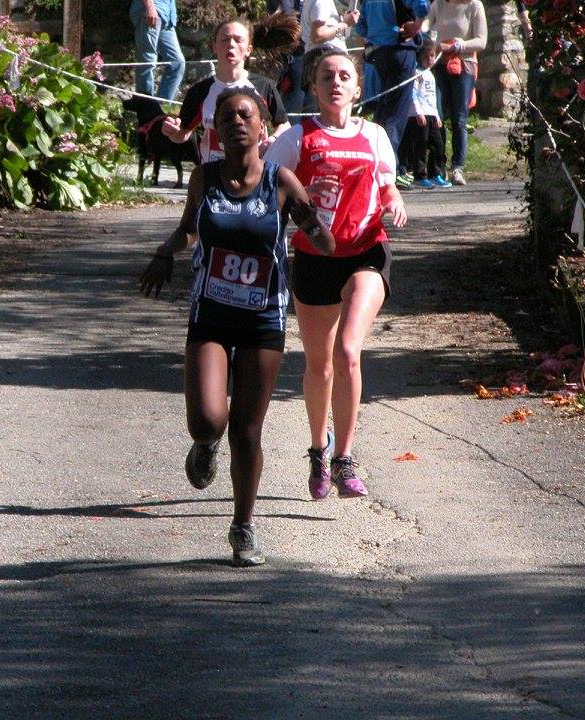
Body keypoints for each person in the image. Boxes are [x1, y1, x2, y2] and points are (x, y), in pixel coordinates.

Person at [140, 88, 334, 567]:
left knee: (247, 431)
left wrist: (315, 225)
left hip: (262, 316)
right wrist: (166, 250)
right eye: (227, 118)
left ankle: (243, 527)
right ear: (216, 131)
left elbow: (324, 242)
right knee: (208, 420)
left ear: (262, 127)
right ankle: (205, 445)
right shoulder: (205, 177)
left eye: (246, 115)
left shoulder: (280, 180)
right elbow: (189, 229)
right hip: (211, 311)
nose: (237, 123)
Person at [264, 46, 407, 501]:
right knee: (319, 366)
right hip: (314, 257)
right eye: (326, 76)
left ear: (358, 88)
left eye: (345, 76)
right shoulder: (298, 138)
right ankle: (318, 450)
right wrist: (300, 197)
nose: (336, 83)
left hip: (365, 250)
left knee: (348, 350)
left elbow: (388, 185)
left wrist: (394, 201)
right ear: (313, 87)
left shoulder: (374, 135)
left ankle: (345, 458)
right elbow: (266, 189)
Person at [162, 19, 291, 162]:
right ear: (214, 47)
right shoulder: (200, 91)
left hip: (253, 170)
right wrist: (172, 132)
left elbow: (284, 125)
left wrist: (273, 139)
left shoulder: (264, 86)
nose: (231, 45)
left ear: (248, 50)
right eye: (224, 39)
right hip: (212, 171)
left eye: (238, 40)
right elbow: (182, 134)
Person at [353, 0, 431, 157]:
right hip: (400, 49)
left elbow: (360, 27)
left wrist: (378, 33)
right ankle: (386, 161)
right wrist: (416, 26)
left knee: (383, 108)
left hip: (379, 54)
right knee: (396, 112)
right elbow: (422, 5)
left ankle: (373, 156)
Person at [427, 0, 487, 186]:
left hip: (464, 66)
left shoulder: (474, 5)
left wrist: (456, 46)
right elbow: (426, 26)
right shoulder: (438, 4)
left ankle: (457, 167)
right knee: (437, 115)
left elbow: (481, 41)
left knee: (459, 118)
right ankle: (439, 165)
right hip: (439, 65)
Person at [405, 39, 452, 189]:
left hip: (432, 115)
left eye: (432, 56)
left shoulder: (431, 75)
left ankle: (435, 173)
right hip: (420, 115)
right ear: (420, 57)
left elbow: (432, 98)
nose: (429, 59)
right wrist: (418, 113)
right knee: (420, 145)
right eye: (426, 56)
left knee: (438, 144)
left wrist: (437, 115)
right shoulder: (416, 73)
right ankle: (419, 175)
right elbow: (413, 94)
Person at [129, 0, 186, 102]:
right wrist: (150, 7)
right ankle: (144, 104)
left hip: (166, 16)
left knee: (177, 62)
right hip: (152, 11)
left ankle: (161, 106)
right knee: (148, 60)